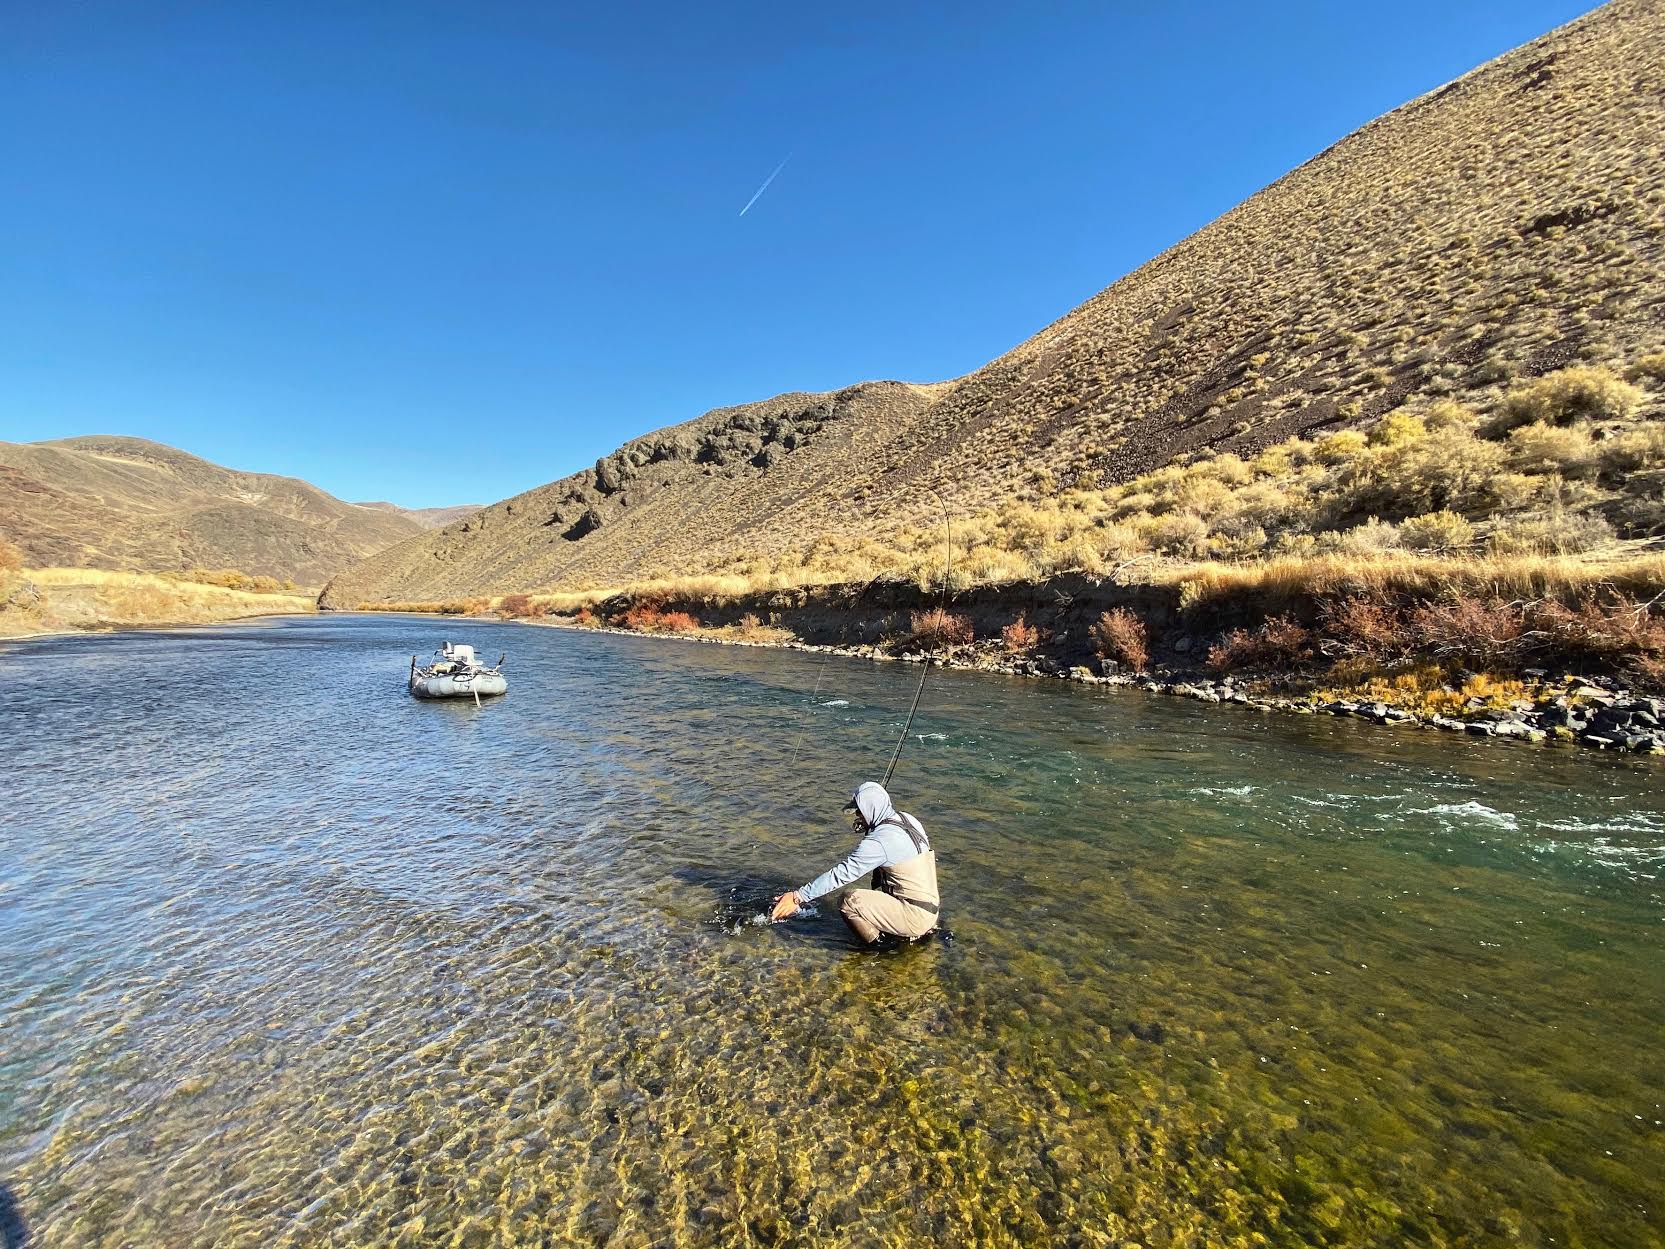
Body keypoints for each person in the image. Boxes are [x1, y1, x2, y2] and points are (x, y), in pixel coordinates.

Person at [770, 781, 940, 943]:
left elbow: (841, 874)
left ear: (869, 809)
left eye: (860, 811)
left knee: (849, 900)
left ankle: (881, 947)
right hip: (930, 910)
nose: (858, 816)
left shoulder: (878, 842)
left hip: (915, 917)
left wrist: (797, 897)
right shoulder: (908, 819)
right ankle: (908, 930)